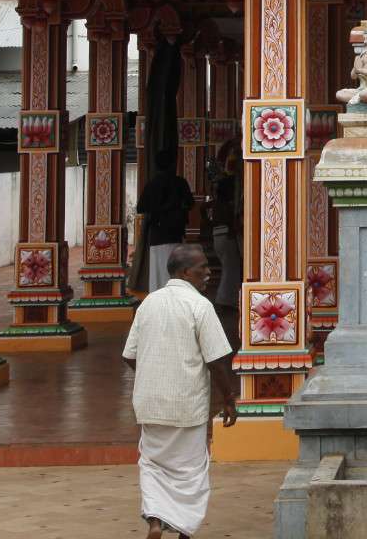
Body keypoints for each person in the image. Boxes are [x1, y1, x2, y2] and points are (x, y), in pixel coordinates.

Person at [123, 244, 239, 538]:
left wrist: (152, 375)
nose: (209, 272)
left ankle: (155, 521)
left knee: (152, 464)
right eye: (202, 267)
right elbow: (217, 360)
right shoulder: (200, 306)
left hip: (150, 403)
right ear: (186, 272)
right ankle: (184, 529)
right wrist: (229, 399)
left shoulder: (149, 303)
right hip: (187, 405)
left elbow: (129, 354)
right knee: (190, 471)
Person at [137, 151, 195, 294]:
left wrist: (158, 209)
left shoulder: (152, 184)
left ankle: (158, 304)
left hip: (156, 235)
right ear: (172, 165)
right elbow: (190, 203)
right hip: (175, 233)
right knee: (175, 272)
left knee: (158, 274)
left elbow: (141, 208)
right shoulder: (180, 182)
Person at [208, 142, 243, 344]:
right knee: (231, 267)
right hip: (226, 231)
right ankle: (225, 301)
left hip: (220, 231)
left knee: (230, 267)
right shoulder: (230, 186)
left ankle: (227, 300)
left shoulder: (223, 187)